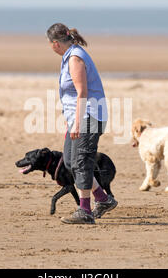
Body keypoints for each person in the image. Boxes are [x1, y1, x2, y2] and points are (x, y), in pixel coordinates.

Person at [46, 23, 118, 224]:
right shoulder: (69, 55)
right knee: (69, 161)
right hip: (78, 118)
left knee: (81, 162)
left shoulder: (75, 57)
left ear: (55, 44)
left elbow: (82, 93)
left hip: (89, 117)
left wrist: (77, 122)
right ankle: (103, 199)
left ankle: (85, 211)